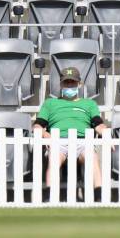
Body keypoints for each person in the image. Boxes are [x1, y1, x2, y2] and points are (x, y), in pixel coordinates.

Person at [33, 66, 108, 201]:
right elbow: (38, 125)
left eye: (72, 82)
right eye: (66, 82)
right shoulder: (50, 103)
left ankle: (99, 197)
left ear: (79, 84)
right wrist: (45, 135)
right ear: (61, 84)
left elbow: (98, 124)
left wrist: (106, 135)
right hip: (57, 141)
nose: (69, 85)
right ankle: (49, 197)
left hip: (83, 141)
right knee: (54, 159)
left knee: (92, 158)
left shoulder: (89, 104)